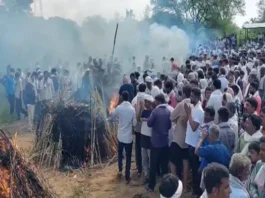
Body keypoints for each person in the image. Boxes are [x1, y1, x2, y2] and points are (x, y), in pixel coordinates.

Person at [146, 94, 171, 192]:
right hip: (165, 142)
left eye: (155, 101)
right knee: (164, 166)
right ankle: (165, 186)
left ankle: (151, 186)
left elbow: (149, 123)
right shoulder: (168, 111)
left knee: (153, 165)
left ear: (158, 101)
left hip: (155, 143)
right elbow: (169, 125)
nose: (154, 102)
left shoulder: (155, 111)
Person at [170, 85, 192, 192]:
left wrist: (178, 118)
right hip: (188, 140)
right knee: (185, 163)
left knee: (173, 161)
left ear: (183, 93)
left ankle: (175, 186)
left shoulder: (181, 104)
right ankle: (185, 186)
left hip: (178, 138)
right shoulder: (195, 104)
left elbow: (171, 117)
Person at [111, 91, 136, 183]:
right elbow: (134, 123)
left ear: (122, 97)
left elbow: (112, 114)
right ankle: (127, 175)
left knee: (120, 154)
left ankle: (120, 170)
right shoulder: (132, 109)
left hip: (120, 136)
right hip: (128, 137)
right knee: (128, 156)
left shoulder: (119, 108)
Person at [184, 88, 204, 197]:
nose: (190, 98)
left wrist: (188, 114)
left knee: (196, 169)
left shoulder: (199, 111)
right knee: (192, 168)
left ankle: (196, 191)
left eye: (192, 96)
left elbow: (193, 127)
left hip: (194, 144)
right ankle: (194, 188)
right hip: (190, 142)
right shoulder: (192, 107)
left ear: (196, 97)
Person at [132, 83, 147, 177]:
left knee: (138, 148)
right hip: (146, 128)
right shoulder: (148, 98)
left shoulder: (134, 100)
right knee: (145, 149)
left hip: (137, 128)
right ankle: (146, 168)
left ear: (138, 89)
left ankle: (139, 167)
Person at [139, 94, 154, 182]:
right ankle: (146, 174)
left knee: (150, 157)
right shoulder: (143, 111)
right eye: (145, 102)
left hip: (150, 137)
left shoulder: (153, 112)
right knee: (144, 157)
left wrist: (145, 120)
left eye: (147, 102)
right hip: (143, 136)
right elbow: (139, 119)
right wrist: (140, 109)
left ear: (150, 103)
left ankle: (151, 175)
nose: (145, 104)